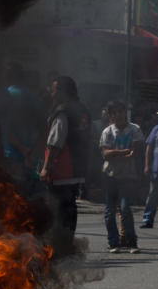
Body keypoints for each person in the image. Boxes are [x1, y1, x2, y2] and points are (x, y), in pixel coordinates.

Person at [38, 76, 90, 252]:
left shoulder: (62, 112)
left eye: (54, 90)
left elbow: (55, 142)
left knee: (58, 209)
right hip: (77, 168)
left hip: (62, 168)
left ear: (62, 91)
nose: (51, 93)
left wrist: (45, 167)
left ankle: (58, 247)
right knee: (70, 207)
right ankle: (67, 244)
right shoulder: (82, 110)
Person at [99, 101, 143, 254]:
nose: (118, 115)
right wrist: (124, 152)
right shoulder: (107, 132)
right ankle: (113, 242)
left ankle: (131, 242)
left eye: (121, 112)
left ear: (125, 113)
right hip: (110, 175)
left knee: (125, 208)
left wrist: (116, 153)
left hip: (127, 175)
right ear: (111, 115)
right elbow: (105, 154)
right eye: (114, 113)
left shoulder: (134, 129)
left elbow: (136, 151)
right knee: (110, 211)